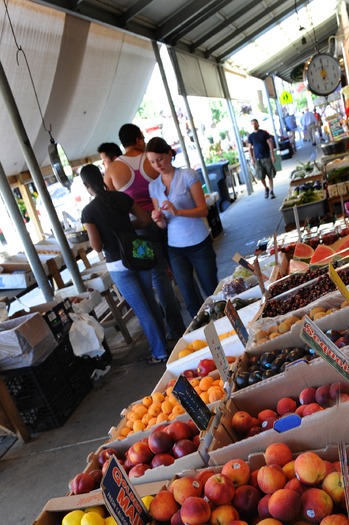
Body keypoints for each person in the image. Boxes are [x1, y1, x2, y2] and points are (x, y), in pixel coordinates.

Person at [80, 164, 168, 365]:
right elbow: (146, 220)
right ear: (102, 177)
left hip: (118, 264)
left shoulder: (89, 211)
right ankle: (163, 344)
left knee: (141, 308)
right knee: (150, 300)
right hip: (138, 251)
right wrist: (127, 227)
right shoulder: (121, 197)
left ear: (86, 185)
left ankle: (160, 352)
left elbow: (96, 246)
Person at [104, 123, 186, 340]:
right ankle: (187, 318)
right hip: (165, 222)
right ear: (140, 139)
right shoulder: (149, 161)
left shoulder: (112, 170)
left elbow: (111, 203)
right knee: (175, 269)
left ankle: (173, 330)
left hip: (138, 232)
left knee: (156, 277)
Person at [146, 137, 218, 318]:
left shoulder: (187, 175)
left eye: (160, 159)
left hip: (199, 241)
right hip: (175, 247)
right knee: (189, 297)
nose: (157, 165)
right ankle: (203, 335)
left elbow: (203, 210)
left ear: (169, 154)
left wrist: (178, 212)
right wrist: (158, 218)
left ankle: (225, 325)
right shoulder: (154, 186)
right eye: (152, 162)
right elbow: (163, 224)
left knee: (212, 290)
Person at [248, 119, 276, 199]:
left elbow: (270, 144)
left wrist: (272, 155)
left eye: (255, 123)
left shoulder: (264, 133)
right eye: (252, 124)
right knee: (261, 176)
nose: (254, 125)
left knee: (270, 175)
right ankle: (266, 188)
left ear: (258, 124)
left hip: (266, 157)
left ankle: (271, 191)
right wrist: (252, 158)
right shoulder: (251, 136)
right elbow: (250, 148)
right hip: (257, 159)